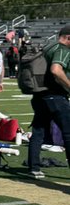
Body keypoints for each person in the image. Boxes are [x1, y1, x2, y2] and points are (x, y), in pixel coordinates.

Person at [27, 26, 70, 180]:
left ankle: (34, 167)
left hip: (40, 95)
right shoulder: (62, 49)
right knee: (68, 133)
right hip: (55, 96)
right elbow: (56, 70)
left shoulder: (48, 47)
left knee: (38, 132)